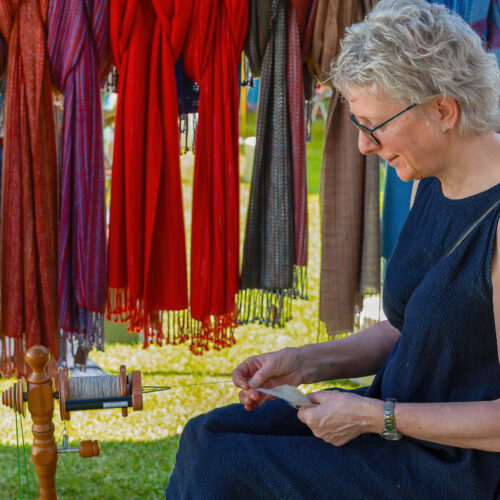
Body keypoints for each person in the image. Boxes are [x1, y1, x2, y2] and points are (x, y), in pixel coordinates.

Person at [165, 1, 500, 498]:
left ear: (443, 110)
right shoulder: (426, 177)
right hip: (396, 425)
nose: (364, 145)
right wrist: (305, 362)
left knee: (224, 466)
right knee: (206, 436)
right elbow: (412, 328)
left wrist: (374, 418)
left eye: (373, 125)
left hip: (454, 467)